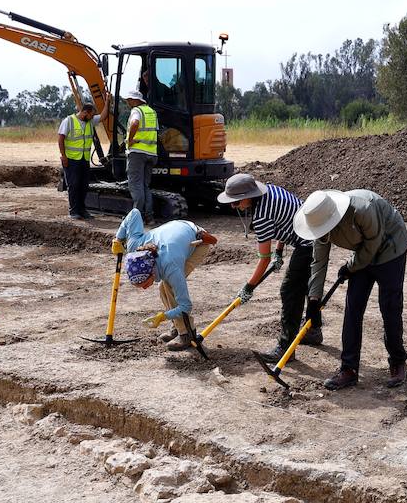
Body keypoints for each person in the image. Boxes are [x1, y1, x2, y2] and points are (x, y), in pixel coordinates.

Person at [298, 189, 407, 390]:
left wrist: (350, 267)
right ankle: (349, 369)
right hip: (362, 253)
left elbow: (373, 244)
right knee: (353, 309)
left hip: (390, 247)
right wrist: (313, 299)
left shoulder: (362, 209)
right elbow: (319, 262)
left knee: (389, 307)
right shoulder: (320, 221)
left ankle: (398, 361)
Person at [216, 173, 322, 361]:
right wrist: (279, 252)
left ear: (248, 196)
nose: (234, 207)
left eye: (236, 202)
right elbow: (284, 222)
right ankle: (313, 332)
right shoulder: (270, 191)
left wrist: (249, 287)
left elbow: (263, 259)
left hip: (308, 243)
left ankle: (285, 347)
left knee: (290, 291)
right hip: (316, 235)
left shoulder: (261, 216)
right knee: (305, 286)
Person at [113, 209, 218, 351]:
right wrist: (118, 239)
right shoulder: (134, 248)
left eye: (144, 284)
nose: (144, 288)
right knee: (163, 286)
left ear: (151, 272)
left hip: (198, 242)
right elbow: (134, 213)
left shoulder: (171, 266)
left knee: (168, 285)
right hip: (176, 234)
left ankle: (187, 334)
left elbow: (185, 306)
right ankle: (177, 326)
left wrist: (163, 316)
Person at [58, 99, 104, 220]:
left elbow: (103, 117)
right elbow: (61, 138)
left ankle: (82, 210)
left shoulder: (90, 121)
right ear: (85, 112)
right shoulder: (69, 121)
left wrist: (108, 101)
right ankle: (74, 211)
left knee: (84, 185)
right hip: (72, 159)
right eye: (91, 114)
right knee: (73, 185)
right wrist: (63, 156)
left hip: (84, 159)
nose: (93, 117)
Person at [123, 87, 158, 218]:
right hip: (152, 154)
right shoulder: (152, 112)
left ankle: (137, 217)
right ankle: (149, 216)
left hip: (138, 153)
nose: (127, 102)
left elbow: (135, 123)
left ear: (134, 100)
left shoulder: (136, 111)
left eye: (128, 100)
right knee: (145, 186)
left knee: (135, 185)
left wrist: (129, 140)